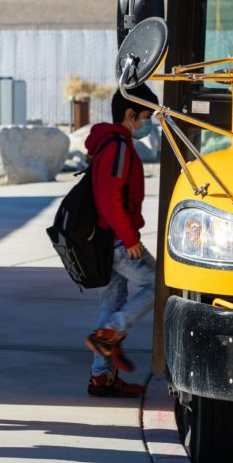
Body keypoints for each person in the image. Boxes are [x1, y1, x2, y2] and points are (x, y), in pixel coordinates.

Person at [83, 85, 159, 397]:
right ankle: (111, 332)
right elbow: (108, 196)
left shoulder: (112, 143)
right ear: (130, 114)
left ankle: (102, 377)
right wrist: (129, 238)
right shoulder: (118, 146)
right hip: (117, 241)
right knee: (160, 284)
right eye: (146, 116)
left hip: (107, 239)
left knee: (111, 301)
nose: (148, 123)